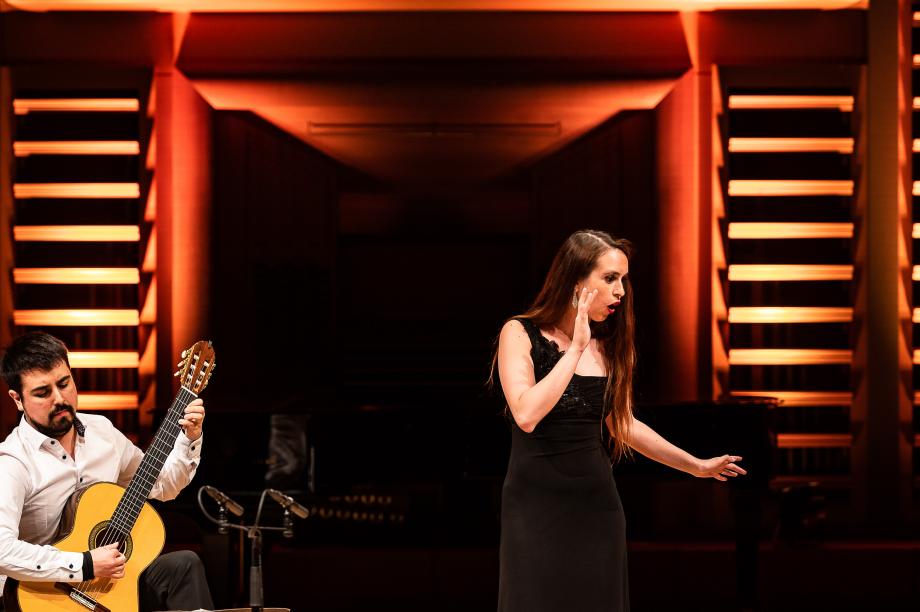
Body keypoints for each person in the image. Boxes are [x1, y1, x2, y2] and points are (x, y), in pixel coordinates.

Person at [493, 230, 746, 612]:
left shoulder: (606, 348)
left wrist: (695, 466)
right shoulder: (519, 332)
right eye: (610, 279)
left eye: (623, 280)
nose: (621, 293)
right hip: (534, 505)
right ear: (577, 281)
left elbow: (624, 424)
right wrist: (575, 348)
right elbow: (526, 414)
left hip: (596, 504)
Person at [0, 331, 214, 611]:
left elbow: (163, 487)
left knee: (184, 564)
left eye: (65, 384)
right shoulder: (12, 462)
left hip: (110, 582)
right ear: (17, 399)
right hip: (44, 594)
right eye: (43, 392)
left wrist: (189, 438)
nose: (60, 399)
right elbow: (2, 550)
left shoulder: (103, 432)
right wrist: (85, 564)